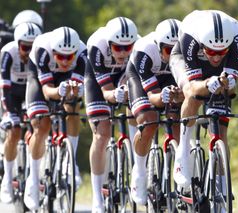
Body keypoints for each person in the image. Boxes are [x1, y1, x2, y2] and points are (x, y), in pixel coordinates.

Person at [169, 10, 238, 190]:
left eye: (222, 52)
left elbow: (231, 84)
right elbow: (193, 87)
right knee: (193, 95)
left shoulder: (236, 35)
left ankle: (222, 188)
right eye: (211, 51)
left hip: (217, 73)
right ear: (203, 45)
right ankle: (183, 152)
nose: (217, 57)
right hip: (186, 61)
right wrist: (209, 82)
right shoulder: (191, 35)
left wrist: (229, 82)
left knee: (221, 131)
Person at [24, 26, 87, 210]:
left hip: (64, 79)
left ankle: (71, 161)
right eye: (61, 56)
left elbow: (76, 88)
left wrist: (77, 91)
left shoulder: (83, 54)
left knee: (73, 106)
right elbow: (47, 91)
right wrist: (58, 91)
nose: (66, 61)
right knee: (41, 125)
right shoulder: (43, 50)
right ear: (53, 52)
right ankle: (34, 180)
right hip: (39, 78)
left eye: (70, 56)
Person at [127, 18, 183, 205]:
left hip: (169, 79)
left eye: (178, 49)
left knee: (177, 121)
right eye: (169, 50)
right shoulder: (145, 51)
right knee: (149, 121)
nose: (174, 54)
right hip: (142, 81)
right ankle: (140, 172)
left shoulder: (185, 53)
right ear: (159, 47)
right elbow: (152, 95)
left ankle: (181, 172)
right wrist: (163, 96)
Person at [84, 16, 138, 212]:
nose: (123, 53)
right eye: (118, 48)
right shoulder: (97, 47)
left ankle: (135, 160)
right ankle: (97, 197)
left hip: (123, 77)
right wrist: (115, 94)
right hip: (98, 83)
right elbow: (106, 91)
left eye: (128, 47)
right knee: (102, 134)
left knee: (138, 108)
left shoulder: (138, 46)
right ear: (109, 44)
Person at [0, 22, 42, 203]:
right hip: (12, 94)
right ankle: (7, 180)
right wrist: (10, 113)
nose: (29, 51)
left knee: (40, 127)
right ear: (17, 44)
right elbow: (4, 86)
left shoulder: (40, 53)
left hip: (31, 91)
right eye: (26, 47)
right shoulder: (8, 53)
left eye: (33, 47)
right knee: (15, 130)